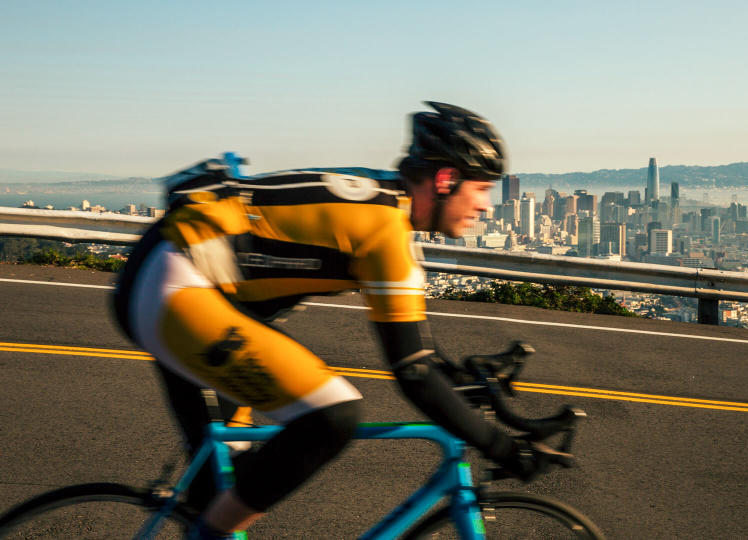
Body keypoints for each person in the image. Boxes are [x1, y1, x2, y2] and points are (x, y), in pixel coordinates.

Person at [113, 102, 549, 538]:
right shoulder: (387, 232)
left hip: (181, 281)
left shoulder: (384, 203)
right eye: (483, 189)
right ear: (445, 179)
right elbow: (413, 369)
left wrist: (467, 378)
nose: (487, 206)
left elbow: (422, 356)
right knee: (333, 415)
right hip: (175, 284)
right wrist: (504, 449)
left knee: (233, 481)